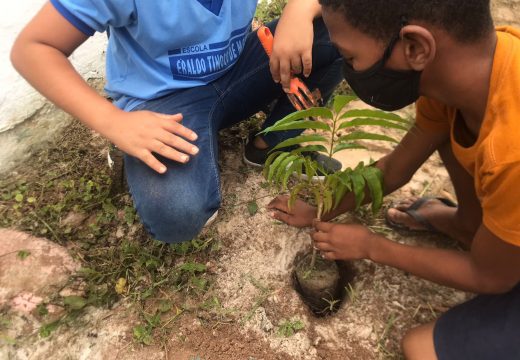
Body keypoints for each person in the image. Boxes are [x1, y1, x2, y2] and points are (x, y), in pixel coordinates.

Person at [268, 0, 520, 359]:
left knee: (419, 348)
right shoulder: (467, 72)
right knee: (447, 131)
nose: (347, 68)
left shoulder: (511, 152)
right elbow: (397, 168)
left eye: (351, 58)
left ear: (415, 47)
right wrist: (324, 206)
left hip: (505, 265)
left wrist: (374, 247)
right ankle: (468, 224)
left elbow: (492, 277)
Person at [10, 0, 343, 244]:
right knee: (178, 213)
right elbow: (34, 48)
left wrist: (300, 10)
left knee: (335, 27)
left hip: (241, 66)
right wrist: (113, 122)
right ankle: (161, 148)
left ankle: (268, 146)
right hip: (167, 101)